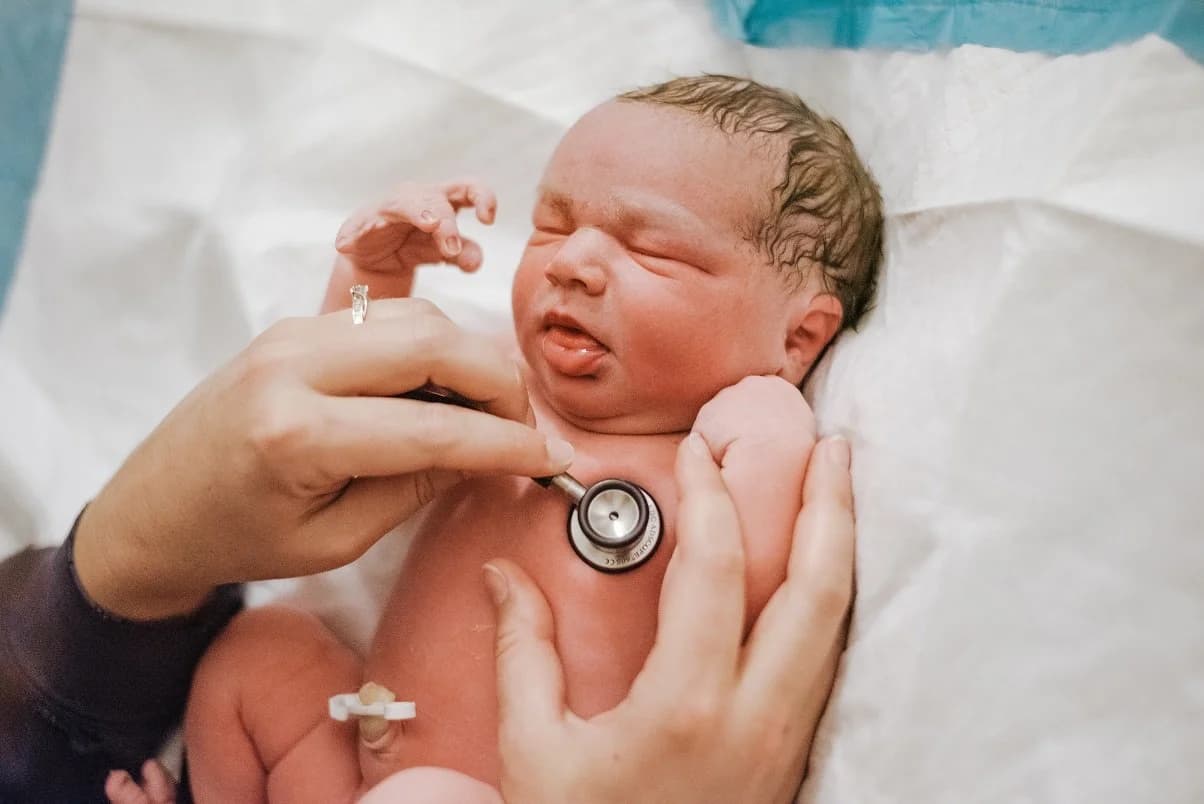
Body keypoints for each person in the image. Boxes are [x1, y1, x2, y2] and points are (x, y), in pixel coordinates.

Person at [164, 75, 880, 802]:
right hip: (356, 758)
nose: (570, 263)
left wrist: (772, 429)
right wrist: (365, 283)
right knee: (259, 654)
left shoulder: (714, 458)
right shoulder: (489, 381)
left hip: (508, 790)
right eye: (554, 225)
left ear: (798, 336)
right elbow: (343, 388)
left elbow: (748, 595)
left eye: (651, 248)